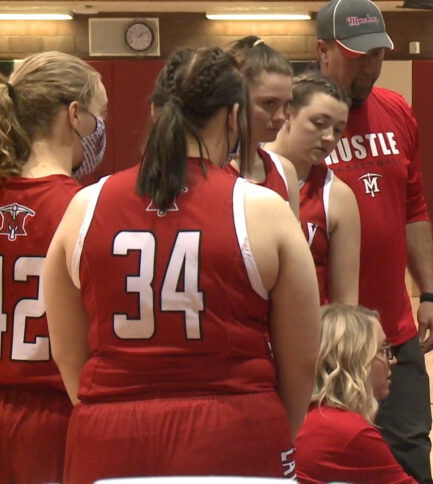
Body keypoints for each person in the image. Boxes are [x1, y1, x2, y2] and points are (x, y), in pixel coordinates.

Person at [43, 46, 321, 482]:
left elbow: (67, 353)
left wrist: (113, 410)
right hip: (235, 429)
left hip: (109, 436)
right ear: (234, 117)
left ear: (155, 112)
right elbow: (301, 361)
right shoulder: (263, 209)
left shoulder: (84, 206)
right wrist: (272, 430)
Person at [315, 0, 433, 480]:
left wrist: (429, 293)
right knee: (330, 459)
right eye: (357, 56)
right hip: (325, 337)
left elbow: (414, 207)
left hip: (393, 330)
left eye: (377, 54)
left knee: (411, 452)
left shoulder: (396, 110)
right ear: (323, 51)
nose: (368, 66)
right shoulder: (297, 122)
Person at [0, 51, 106, 483]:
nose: (102, 127)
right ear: (74, 115)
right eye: (100, 114)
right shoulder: (86, 209)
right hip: (55, 413)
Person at [295, 304, 415, 483]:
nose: (393, 360)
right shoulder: (348, 432)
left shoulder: (306, 415)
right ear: (356, 361)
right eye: (382, 350)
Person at [269, 72, 360, 304]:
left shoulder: (337, 195)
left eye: (338, 130)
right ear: (287, 114)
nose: (329, 137)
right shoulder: (239, 175)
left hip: (310, 324)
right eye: (319, 124)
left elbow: (345, 302)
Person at [225, 36, 301, 217]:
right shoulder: (212, 170)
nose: (281, 116)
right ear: (237, 99)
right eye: (269, 103)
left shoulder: (285, 171)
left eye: (286, 104)